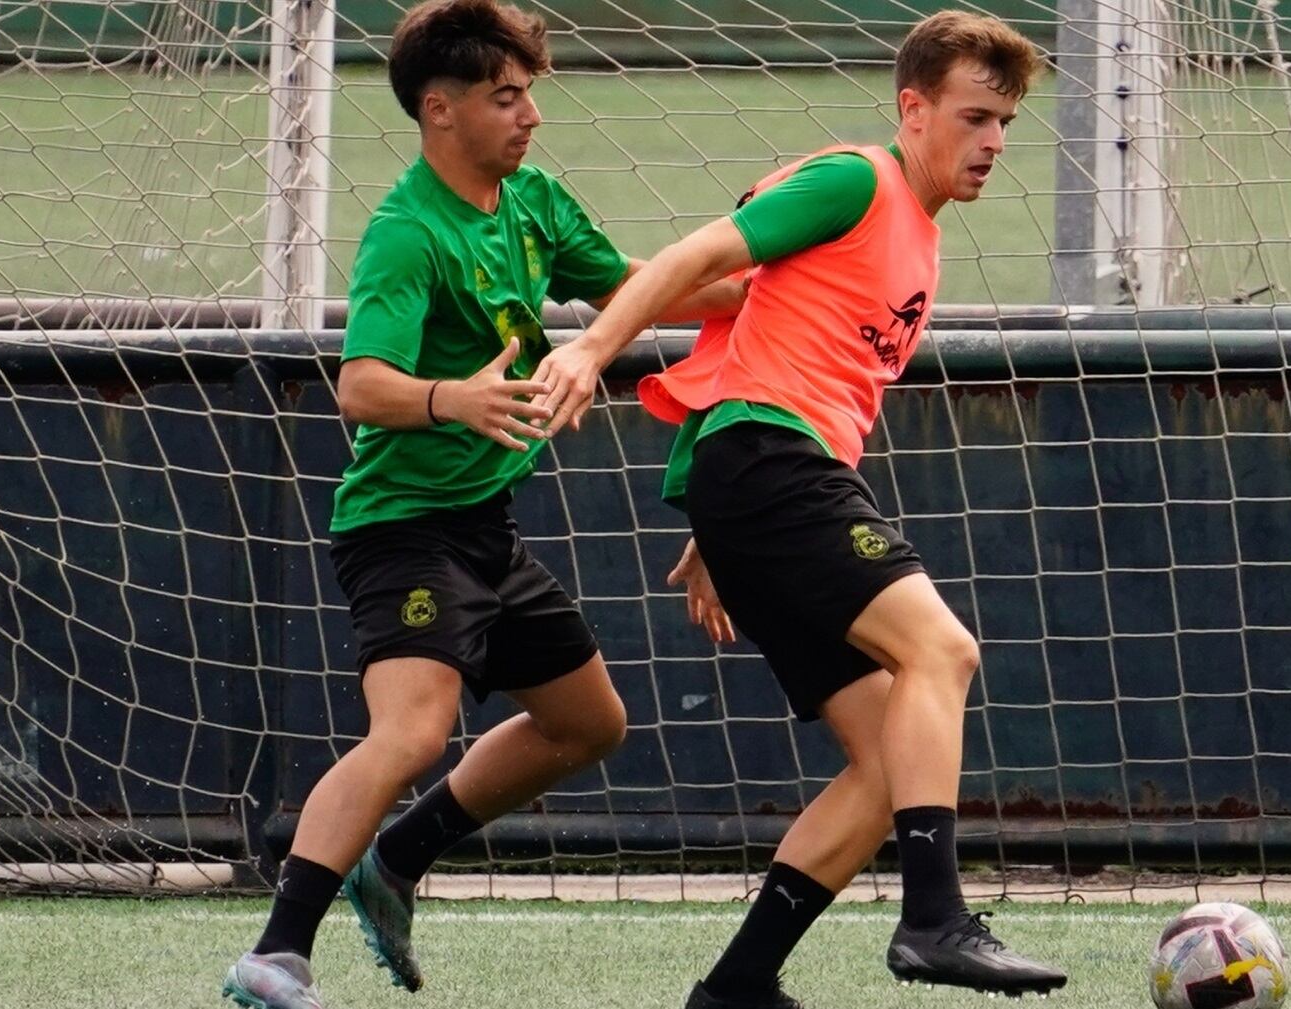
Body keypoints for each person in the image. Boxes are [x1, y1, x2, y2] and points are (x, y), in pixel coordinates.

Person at [529, 11, 1067, 1007]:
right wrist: (592, 348)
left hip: (763, 482)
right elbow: (697, 258)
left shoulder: (923, 240)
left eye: (1007, 123)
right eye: (976, 117)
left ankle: (735, 986)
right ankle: (934, 917)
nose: (994, 142)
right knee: (941, 652)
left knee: (884, 764)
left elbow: (756, 345)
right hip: (778, 469)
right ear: (914, 109)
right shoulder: (857, 180)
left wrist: (712, 520)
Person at [220, 3, 743, 1007]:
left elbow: (636, 291)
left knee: (589, 723)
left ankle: (399, 859)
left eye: (530, 92)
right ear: (440, 109)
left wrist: (768, 285)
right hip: (402, 531)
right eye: (508, 96)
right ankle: (276, 954)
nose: (531, 115)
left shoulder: (536, 201)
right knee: (412, 735)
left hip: (486, 533)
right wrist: (450, 398)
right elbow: (360, 385)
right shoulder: (407, 234)